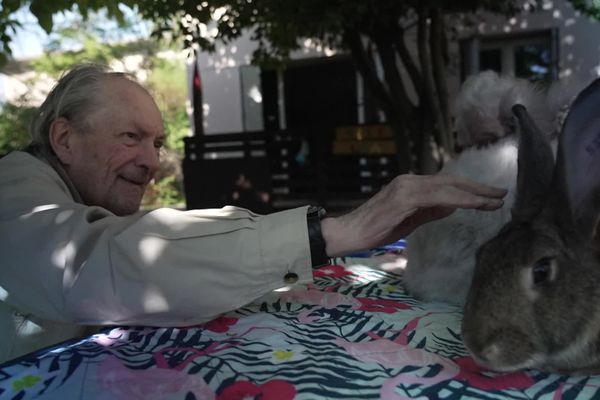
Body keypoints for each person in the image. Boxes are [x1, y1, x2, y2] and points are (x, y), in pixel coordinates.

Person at [0, 63, 506, 363]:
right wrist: (329, 233)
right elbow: (98, 263)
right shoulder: (13, 188)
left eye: (155, 142)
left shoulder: (74, 196)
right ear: (63, 139)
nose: (152, 161)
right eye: (130, 137)